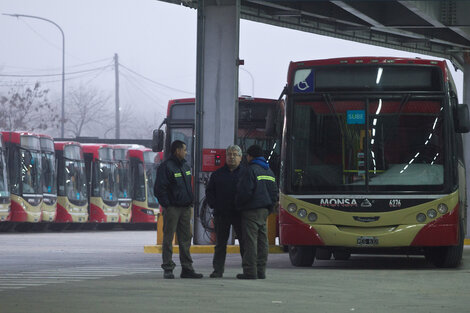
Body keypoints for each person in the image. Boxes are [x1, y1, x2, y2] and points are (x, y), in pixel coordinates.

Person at [154, 140, 203, 279]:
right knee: (168, 239)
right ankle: (168, 268)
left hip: (186, 208)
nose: (186, 152)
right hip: (173, 209)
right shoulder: (166, 167)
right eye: (184, 150)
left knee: (186, 239)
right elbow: (159, 189)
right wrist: (168, 205)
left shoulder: (186, 167)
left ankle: (187, 268)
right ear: (177, 150)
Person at [236, 144, 279, 280]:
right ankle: (261, 271)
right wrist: (269, 209)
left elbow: (245, 192)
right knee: (262, 242)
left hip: (251, 211)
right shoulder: (269, 171)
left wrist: (239, 205)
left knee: (250, 242)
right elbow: (274, 193)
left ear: (249, 156)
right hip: (264, 211)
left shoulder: (251, 170)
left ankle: (250, 272)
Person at [205, 145, 244, 278]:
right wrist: (214, 205)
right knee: (220, 244)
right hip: (221, 214)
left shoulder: (246, 173)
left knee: (245, 243)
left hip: (240, 214)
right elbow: (209, 192)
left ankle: (248, 269)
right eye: (229, 154)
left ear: (240, 157)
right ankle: (218, 270)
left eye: (235, 154)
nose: (232, 157)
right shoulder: (217, 174)